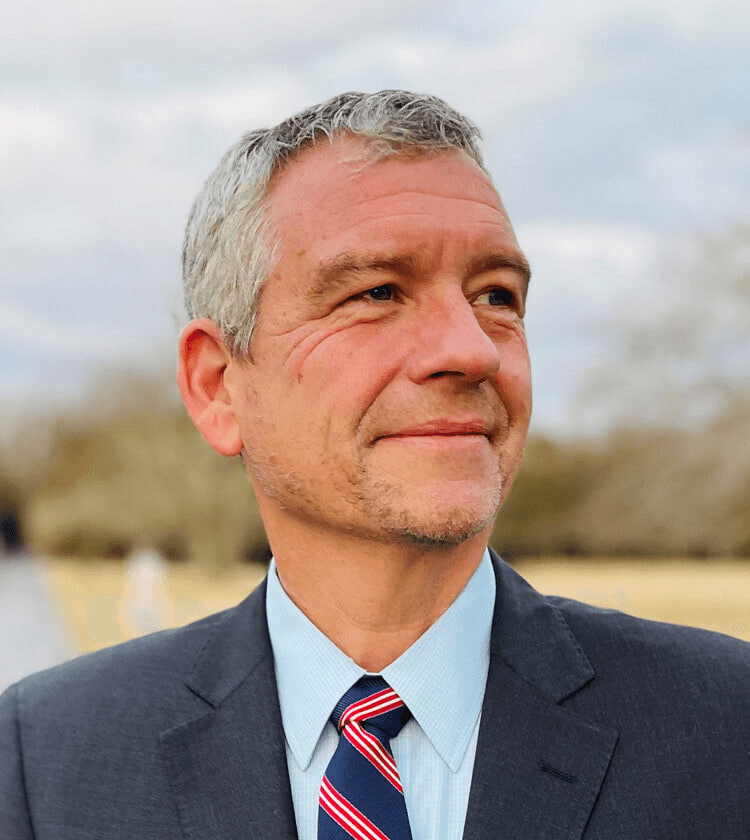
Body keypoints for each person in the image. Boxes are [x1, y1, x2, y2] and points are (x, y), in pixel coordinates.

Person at [1, 90, 748, 840]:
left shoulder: (727, 729)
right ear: (218, 387)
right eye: (378, 292)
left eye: (496, 295)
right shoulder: (47, 762)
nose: (472, 349)